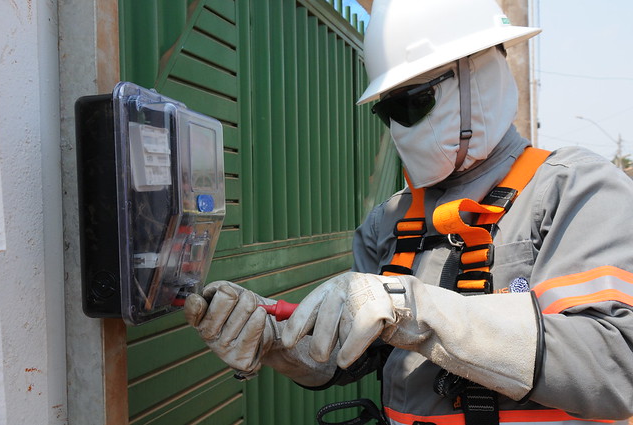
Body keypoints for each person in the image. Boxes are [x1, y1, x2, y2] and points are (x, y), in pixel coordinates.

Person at [185, 0, 633, 423]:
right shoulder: (389, 221)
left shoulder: (574, 190)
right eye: (388, 112)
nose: (400, 128)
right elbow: (352, 356)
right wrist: (278, 345)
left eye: (412, 104)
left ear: (479, 76)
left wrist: (415, 311)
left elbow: (616, 367)